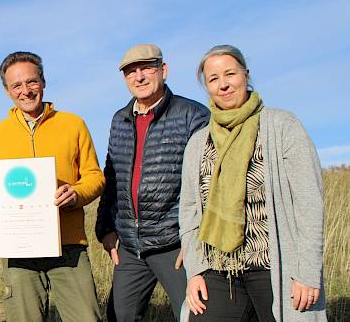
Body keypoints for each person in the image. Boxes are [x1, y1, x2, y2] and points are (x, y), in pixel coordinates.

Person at [180, 45, 325, 321]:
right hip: (219, 270)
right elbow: (188, 211)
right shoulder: (199, 143)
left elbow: (308, 201)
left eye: (230, 74)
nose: (223, 84)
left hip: (275, 267)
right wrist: (195, 270)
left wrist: (307, 271)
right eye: (213, 79)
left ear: (245, 75)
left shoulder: (282, 126)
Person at [0, 51, 105, 322]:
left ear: (43, 82)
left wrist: (76, 194)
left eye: (31, 82)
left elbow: (95, 176)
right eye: (16, 85)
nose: (26, 90)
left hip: (68, 245)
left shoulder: (73, 124)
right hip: (19, 250)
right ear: (7, 91)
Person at [95, 44, 208, 321]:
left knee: (194, 315)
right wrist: (106, 228)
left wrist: (195, 240)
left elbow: (207, 183)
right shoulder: (119, 120)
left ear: (163, 70)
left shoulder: (192, 115)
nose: (139, 76)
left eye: (146, 68)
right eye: (131, 71)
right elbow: (112, 179)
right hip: (131, 248)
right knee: (120, 316)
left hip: (175, 243)